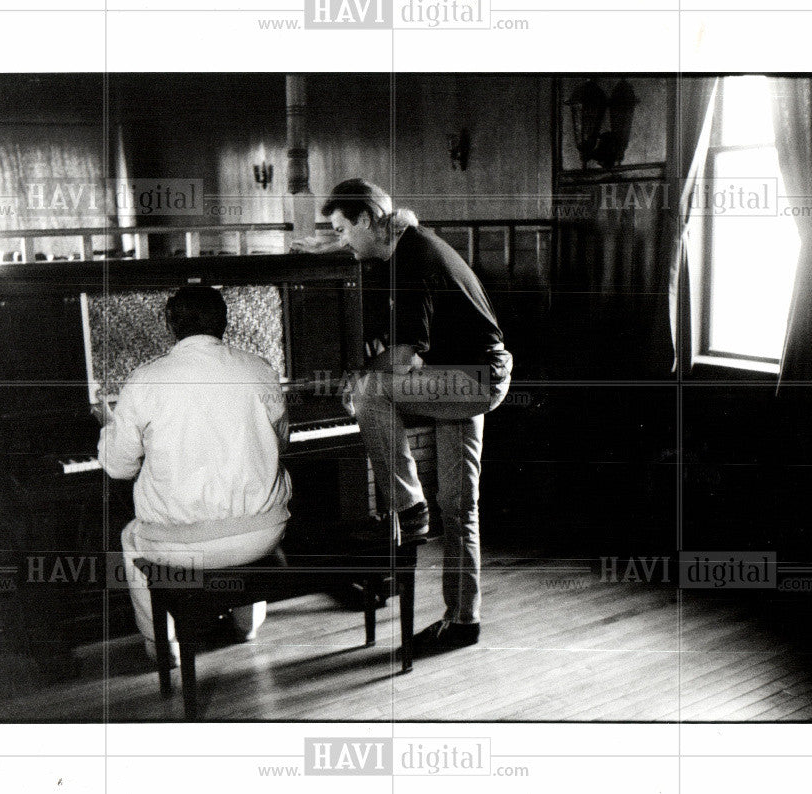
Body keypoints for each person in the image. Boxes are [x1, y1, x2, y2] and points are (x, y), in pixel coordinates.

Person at [315, 178, 513, 654]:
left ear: (366, 219)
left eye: (342, 228)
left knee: (368, 390)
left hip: (472, 379)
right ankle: (464, 620)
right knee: (461, 506)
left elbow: (402, 361)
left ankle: (407, 505)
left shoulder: (411, 258)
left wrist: (360, 374)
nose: (341, 240)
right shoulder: (409, 245)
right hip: (470, 374)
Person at [97, 285, 291, 665]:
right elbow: (280, 444)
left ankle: (161, 647)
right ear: (225, 321)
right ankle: (248, 623)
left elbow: (120, 467)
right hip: (263, 535)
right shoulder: (261, 369)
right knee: (253, 510)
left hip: (185, 548)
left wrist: (110, 427)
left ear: (170, 324)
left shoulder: (143, 381)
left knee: (130, 537)